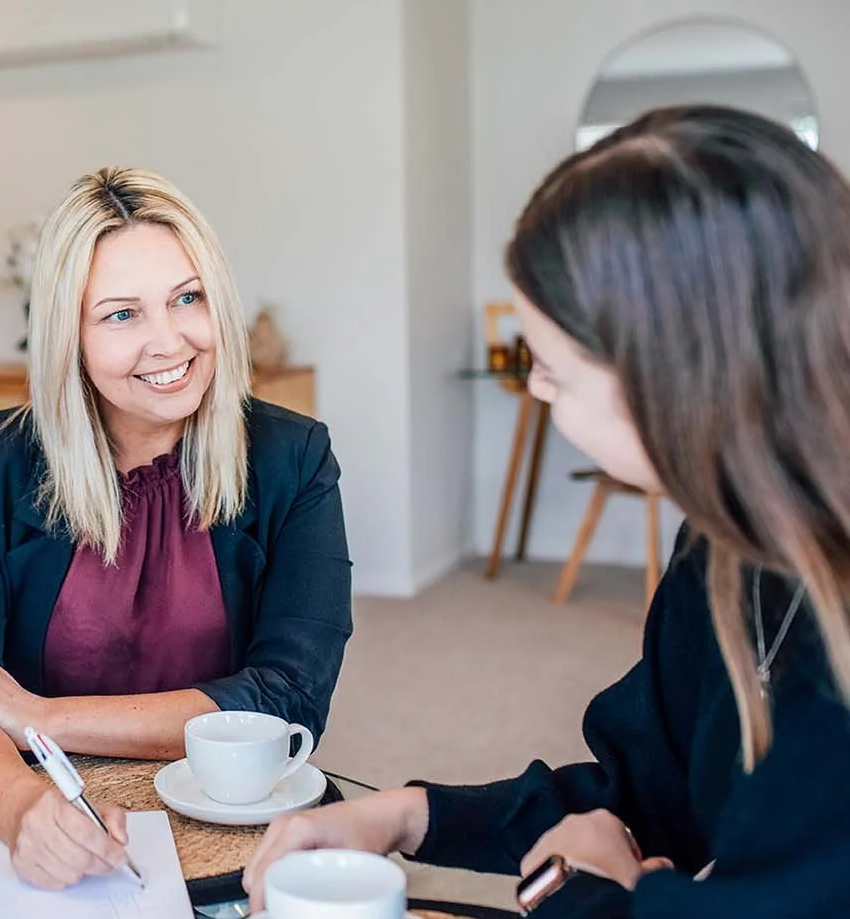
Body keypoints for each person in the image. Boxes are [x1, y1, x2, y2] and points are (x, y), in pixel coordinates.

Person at [244, 105, 850, 917]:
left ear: (674, 376)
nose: (533, 388)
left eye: (554, 371)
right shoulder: (725, 547)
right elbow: (639, 790)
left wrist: (572, 888)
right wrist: (408, 815)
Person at [0, 167, 353, 890]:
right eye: (121, 315)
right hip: (30, 797)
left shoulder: (293, 457)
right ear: (67, 335)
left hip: (223, 816)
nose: (170, 342)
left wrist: (36, 715)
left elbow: (288, 698)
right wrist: (21, 807)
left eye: (187, 298)